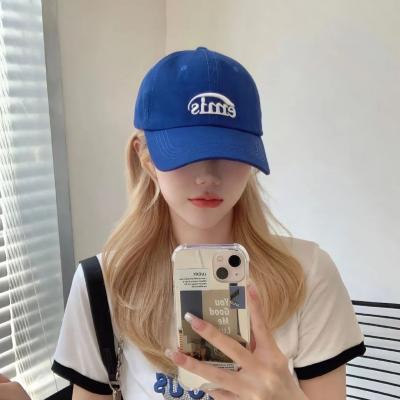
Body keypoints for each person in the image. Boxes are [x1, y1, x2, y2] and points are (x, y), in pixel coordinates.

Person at [1, 46, 366, 400]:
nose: (208, 176)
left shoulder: (308, 275)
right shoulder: (104, 284)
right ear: (145, 157)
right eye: (186, 152)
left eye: (228, 152)